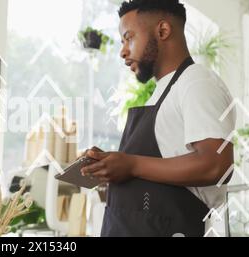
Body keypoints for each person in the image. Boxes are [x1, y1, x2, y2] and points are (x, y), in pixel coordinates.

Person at [80, 0, 236, 236]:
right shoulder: (162, 92)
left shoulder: (197, 83)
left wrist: (131, 164)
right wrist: (109, 164)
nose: (122, 50)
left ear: (162, 30)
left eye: (129, 38)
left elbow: (216, 165)